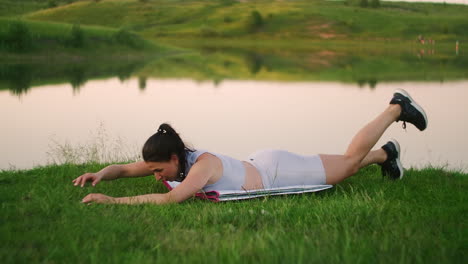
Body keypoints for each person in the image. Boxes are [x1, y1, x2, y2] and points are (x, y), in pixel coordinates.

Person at [73, 89, 428, 205]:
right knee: (345, 164)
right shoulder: (173, 161)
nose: (154, 176)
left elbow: (169, 200)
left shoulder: (202, 167)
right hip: (265, 163)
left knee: (348, 163)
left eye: (157, 170)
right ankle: (386, 155)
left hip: (278, 172)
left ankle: (397, 106)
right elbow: (125, 168)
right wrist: (101, 176)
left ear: (173, 158)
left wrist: (113, 201)